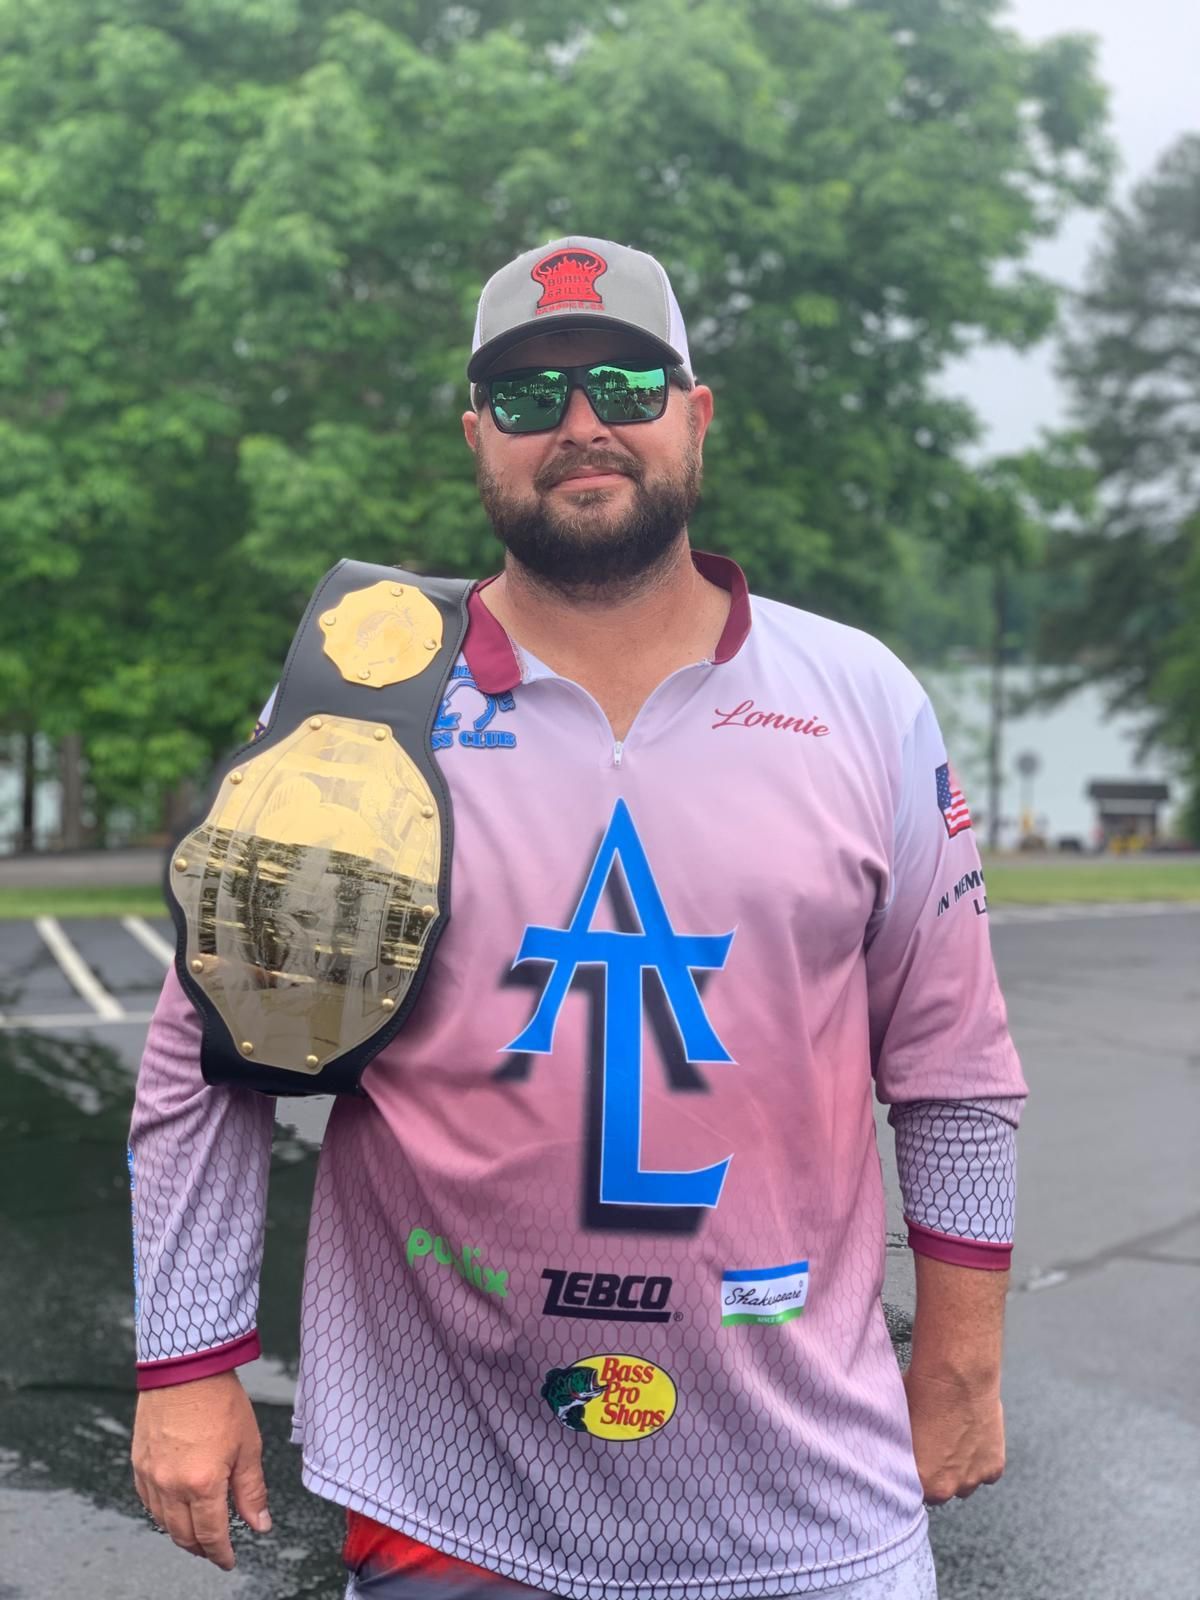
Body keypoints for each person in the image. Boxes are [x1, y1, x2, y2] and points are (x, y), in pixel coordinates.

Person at [129, 236, 1026, 1600]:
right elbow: (209, 1053)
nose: (584, 425)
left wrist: (959, 1365)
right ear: (477, 432)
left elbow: (952, 1068)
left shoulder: (860, 698)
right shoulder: (361, 702)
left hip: (808, 1506)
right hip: (450, 1493)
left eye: (625, 381)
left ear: (696, 412)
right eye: (532, 397)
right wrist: (189, 1364)